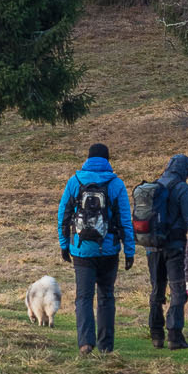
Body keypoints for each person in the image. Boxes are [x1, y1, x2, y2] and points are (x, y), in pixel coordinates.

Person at [57, 142, 134, 355]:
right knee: (106, 296)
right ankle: (106, 346)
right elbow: (126, 221)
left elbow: (62, 214)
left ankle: (85, 343)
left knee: (83, 297)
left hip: (81, 250)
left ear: (87, 158)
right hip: (109, 250)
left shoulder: (75, 182)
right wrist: (129, 251)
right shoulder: (116, 184)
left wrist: (64, 245)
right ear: (107, 160)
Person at [146, 154, 188, 351]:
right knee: (178, 291)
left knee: (157, 289)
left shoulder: (155, 185)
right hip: (175, 247)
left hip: (152, 247)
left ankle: (156, 334)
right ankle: (174, 335)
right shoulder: (182, 188)